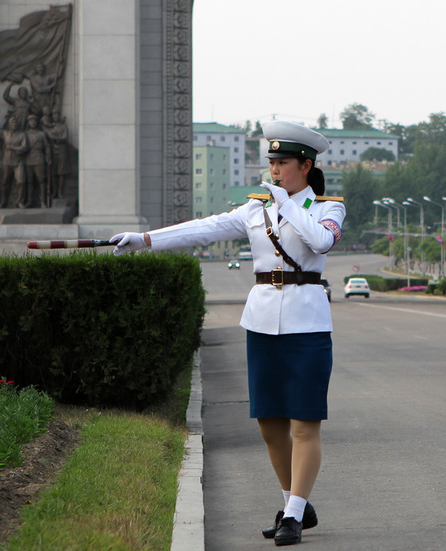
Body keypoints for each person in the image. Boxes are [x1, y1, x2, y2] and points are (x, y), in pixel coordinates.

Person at [111, 120, 345, 546]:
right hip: (261, 322)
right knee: (269, 422)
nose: (275, 170)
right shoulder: (256, 208)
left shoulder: (326, 208)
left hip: (308, 325)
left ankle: (292, 516)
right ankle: (293, 502)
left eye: (283, 163)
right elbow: (205, 227)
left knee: (304, 423)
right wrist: (145, 239)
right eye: (271, 162)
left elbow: (321, 244)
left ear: (306, 166)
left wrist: (286, 204)